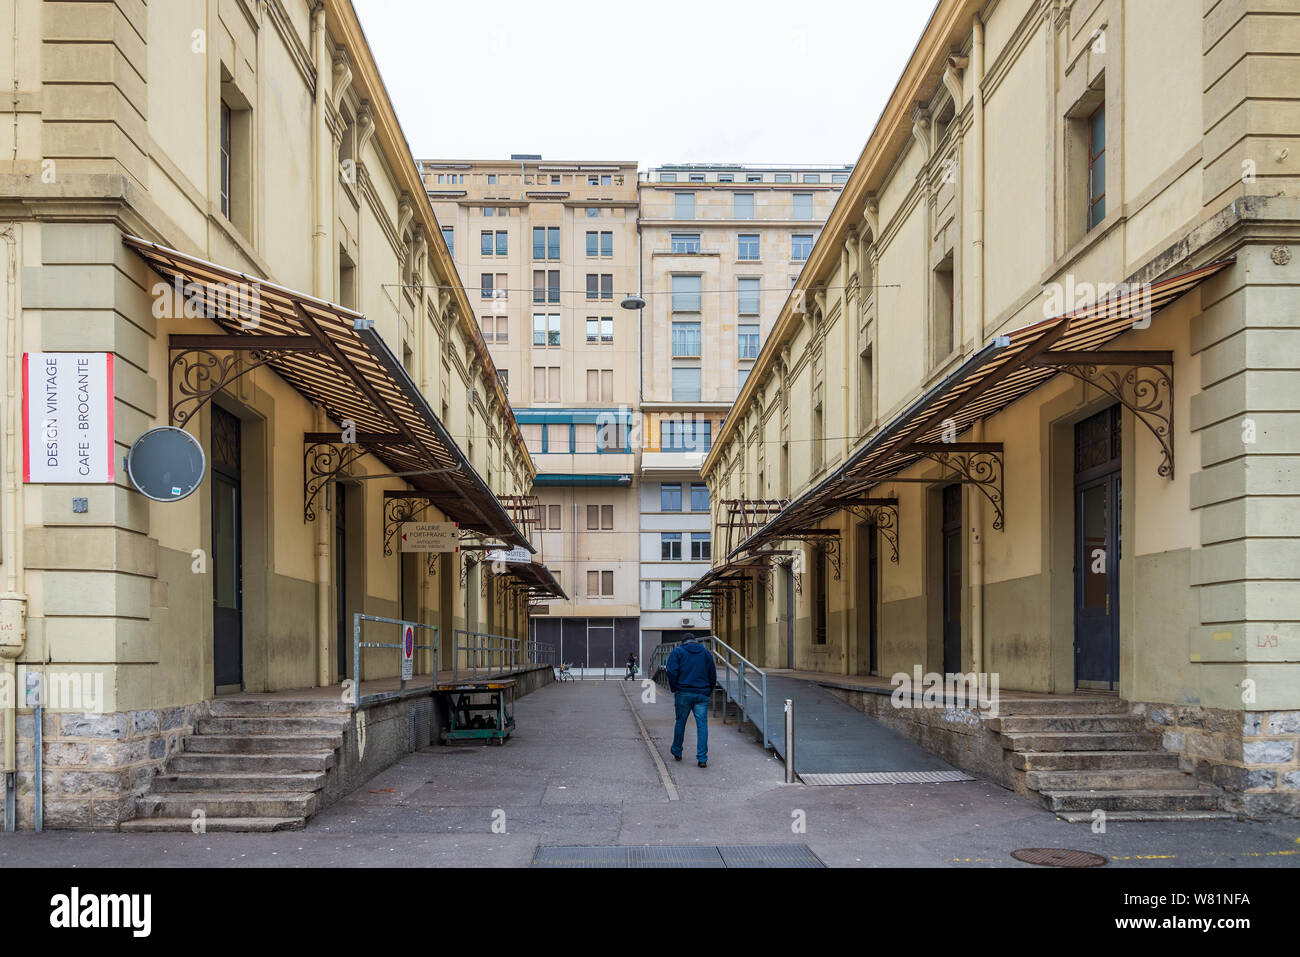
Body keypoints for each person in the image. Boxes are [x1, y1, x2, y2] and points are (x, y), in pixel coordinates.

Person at [664, 636, 717, 768]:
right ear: (695, 641)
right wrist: (708, 690)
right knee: (702, 725)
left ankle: (677, 751)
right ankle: (702, 758)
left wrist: (674, 688)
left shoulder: (678, 651)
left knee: (680, 722)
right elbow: (712, 673)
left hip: (683, 693)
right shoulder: (705, 652)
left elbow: (671, 670)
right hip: (702, 694)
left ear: (683, 642)